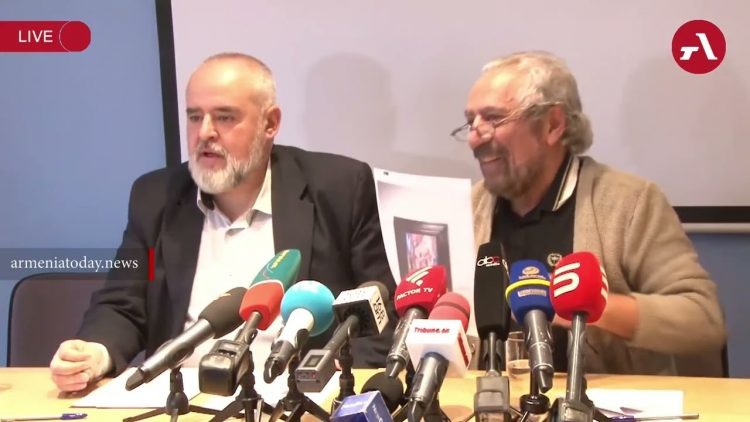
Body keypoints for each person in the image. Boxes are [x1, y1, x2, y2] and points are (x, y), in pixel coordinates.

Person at [50, 53, 395, 392]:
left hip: (297, 399)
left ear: (270, 123)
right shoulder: (155, 197)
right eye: (194, 117)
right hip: (182, 398)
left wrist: (339, 372)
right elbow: (123, 305)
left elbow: (380, 313)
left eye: (225, 117)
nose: (205, 133)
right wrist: (95, 353)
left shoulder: (339, 188)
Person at [453, 51, 726, 374]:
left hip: (598, 399)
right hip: (487, 396)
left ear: (552, 124)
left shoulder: (629, 203)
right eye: (471, 122)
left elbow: (702, 319)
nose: (475, 137)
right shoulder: (469, 208)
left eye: (494, 118)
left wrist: (589, 305)